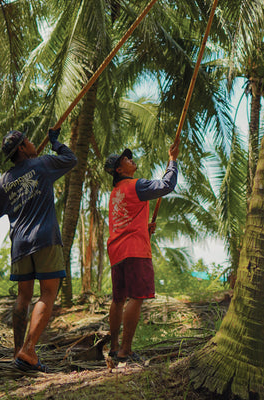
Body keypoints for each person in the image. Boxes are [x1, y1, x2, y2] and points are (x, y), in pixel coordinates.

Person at [0, 128, 77, 373]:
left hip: (20, 244)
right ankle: (28, 351)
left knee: (23, 297)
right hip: (45, 239)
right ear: (21, 147)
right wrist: (55, 142)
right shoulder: (43, 164)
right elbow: (71, 159)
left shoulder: (4, 181)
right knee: (49, 294)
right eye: (28, 141)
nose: (32, 144)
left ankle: (17, 351)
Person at [104, 141, 179, 364]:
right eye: (126, 159)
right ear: (119, 170)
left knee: (118, 299)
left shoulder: (116, 192)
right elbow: (167, 185)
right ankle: (125, 351)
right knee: (136, 297)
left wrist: (144, 227)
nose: (131, 159)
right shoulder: (136, 185)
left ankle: (115, 347)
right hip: (135, 250)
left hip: (117, 250)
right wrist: (172, 160)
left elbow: (124, 219)